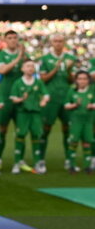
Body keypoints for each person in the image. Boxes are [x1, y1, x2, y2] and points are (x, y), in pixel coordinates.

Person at [39, 33, 77, 171]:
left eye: (61, 41)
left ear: (64, 42)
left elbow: (74, 81)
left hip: (67, 97)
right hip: (50, 98)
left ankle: (69, 159)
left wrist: (68, 70)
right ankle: (41, 159)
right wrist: (56, 68)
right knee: (45, 128)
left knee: (68, 128)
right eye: (55, 41)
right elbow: (43, 79)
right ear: (51, 43)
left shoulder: (71, 59)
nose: (58, 43)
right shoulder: (45, 59)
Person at [9, 59, 50, 174]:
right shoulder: (17, 82)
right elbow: (13, 98)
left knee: (36, 136)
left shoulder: (38, 82)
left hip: (36, 113)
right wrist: (21, 99)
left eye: (32, 66)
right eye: (28, 66)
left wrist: (44, 101)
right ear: (22, 69)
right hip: (23, 113)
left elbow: (46, 94)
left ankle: (37, 162)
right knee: (20, 136)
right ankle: (17, 162)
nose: (30, 68)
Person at [0, 29, 25, 169]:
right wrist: (18, 58)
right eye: (10, 38)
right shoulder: (1, 55)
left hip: (21, 98)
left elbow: (31, 71)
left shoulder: (25, 55)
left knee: (21, 129)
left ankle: (19, 160)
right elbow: (2, 70)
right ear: (5, 40)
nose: (13, 40)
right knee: (2, 128)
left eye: (15, 37)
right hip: (5, 97)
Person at [62, 69, 94, 174]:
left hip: (88, 121)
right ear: (76, 80)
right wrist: (75, 105)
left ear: (88, 80)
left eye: (85, 79)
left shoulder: (92, 90)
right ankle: (71, 165)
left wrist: (92, 106)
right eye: (80, 79)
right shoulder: (72, 91)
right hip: (76, 121)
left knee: (87, 142)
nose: (82, 81)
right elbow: (66, 105)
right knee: (73, 142)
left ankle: (87, 166)